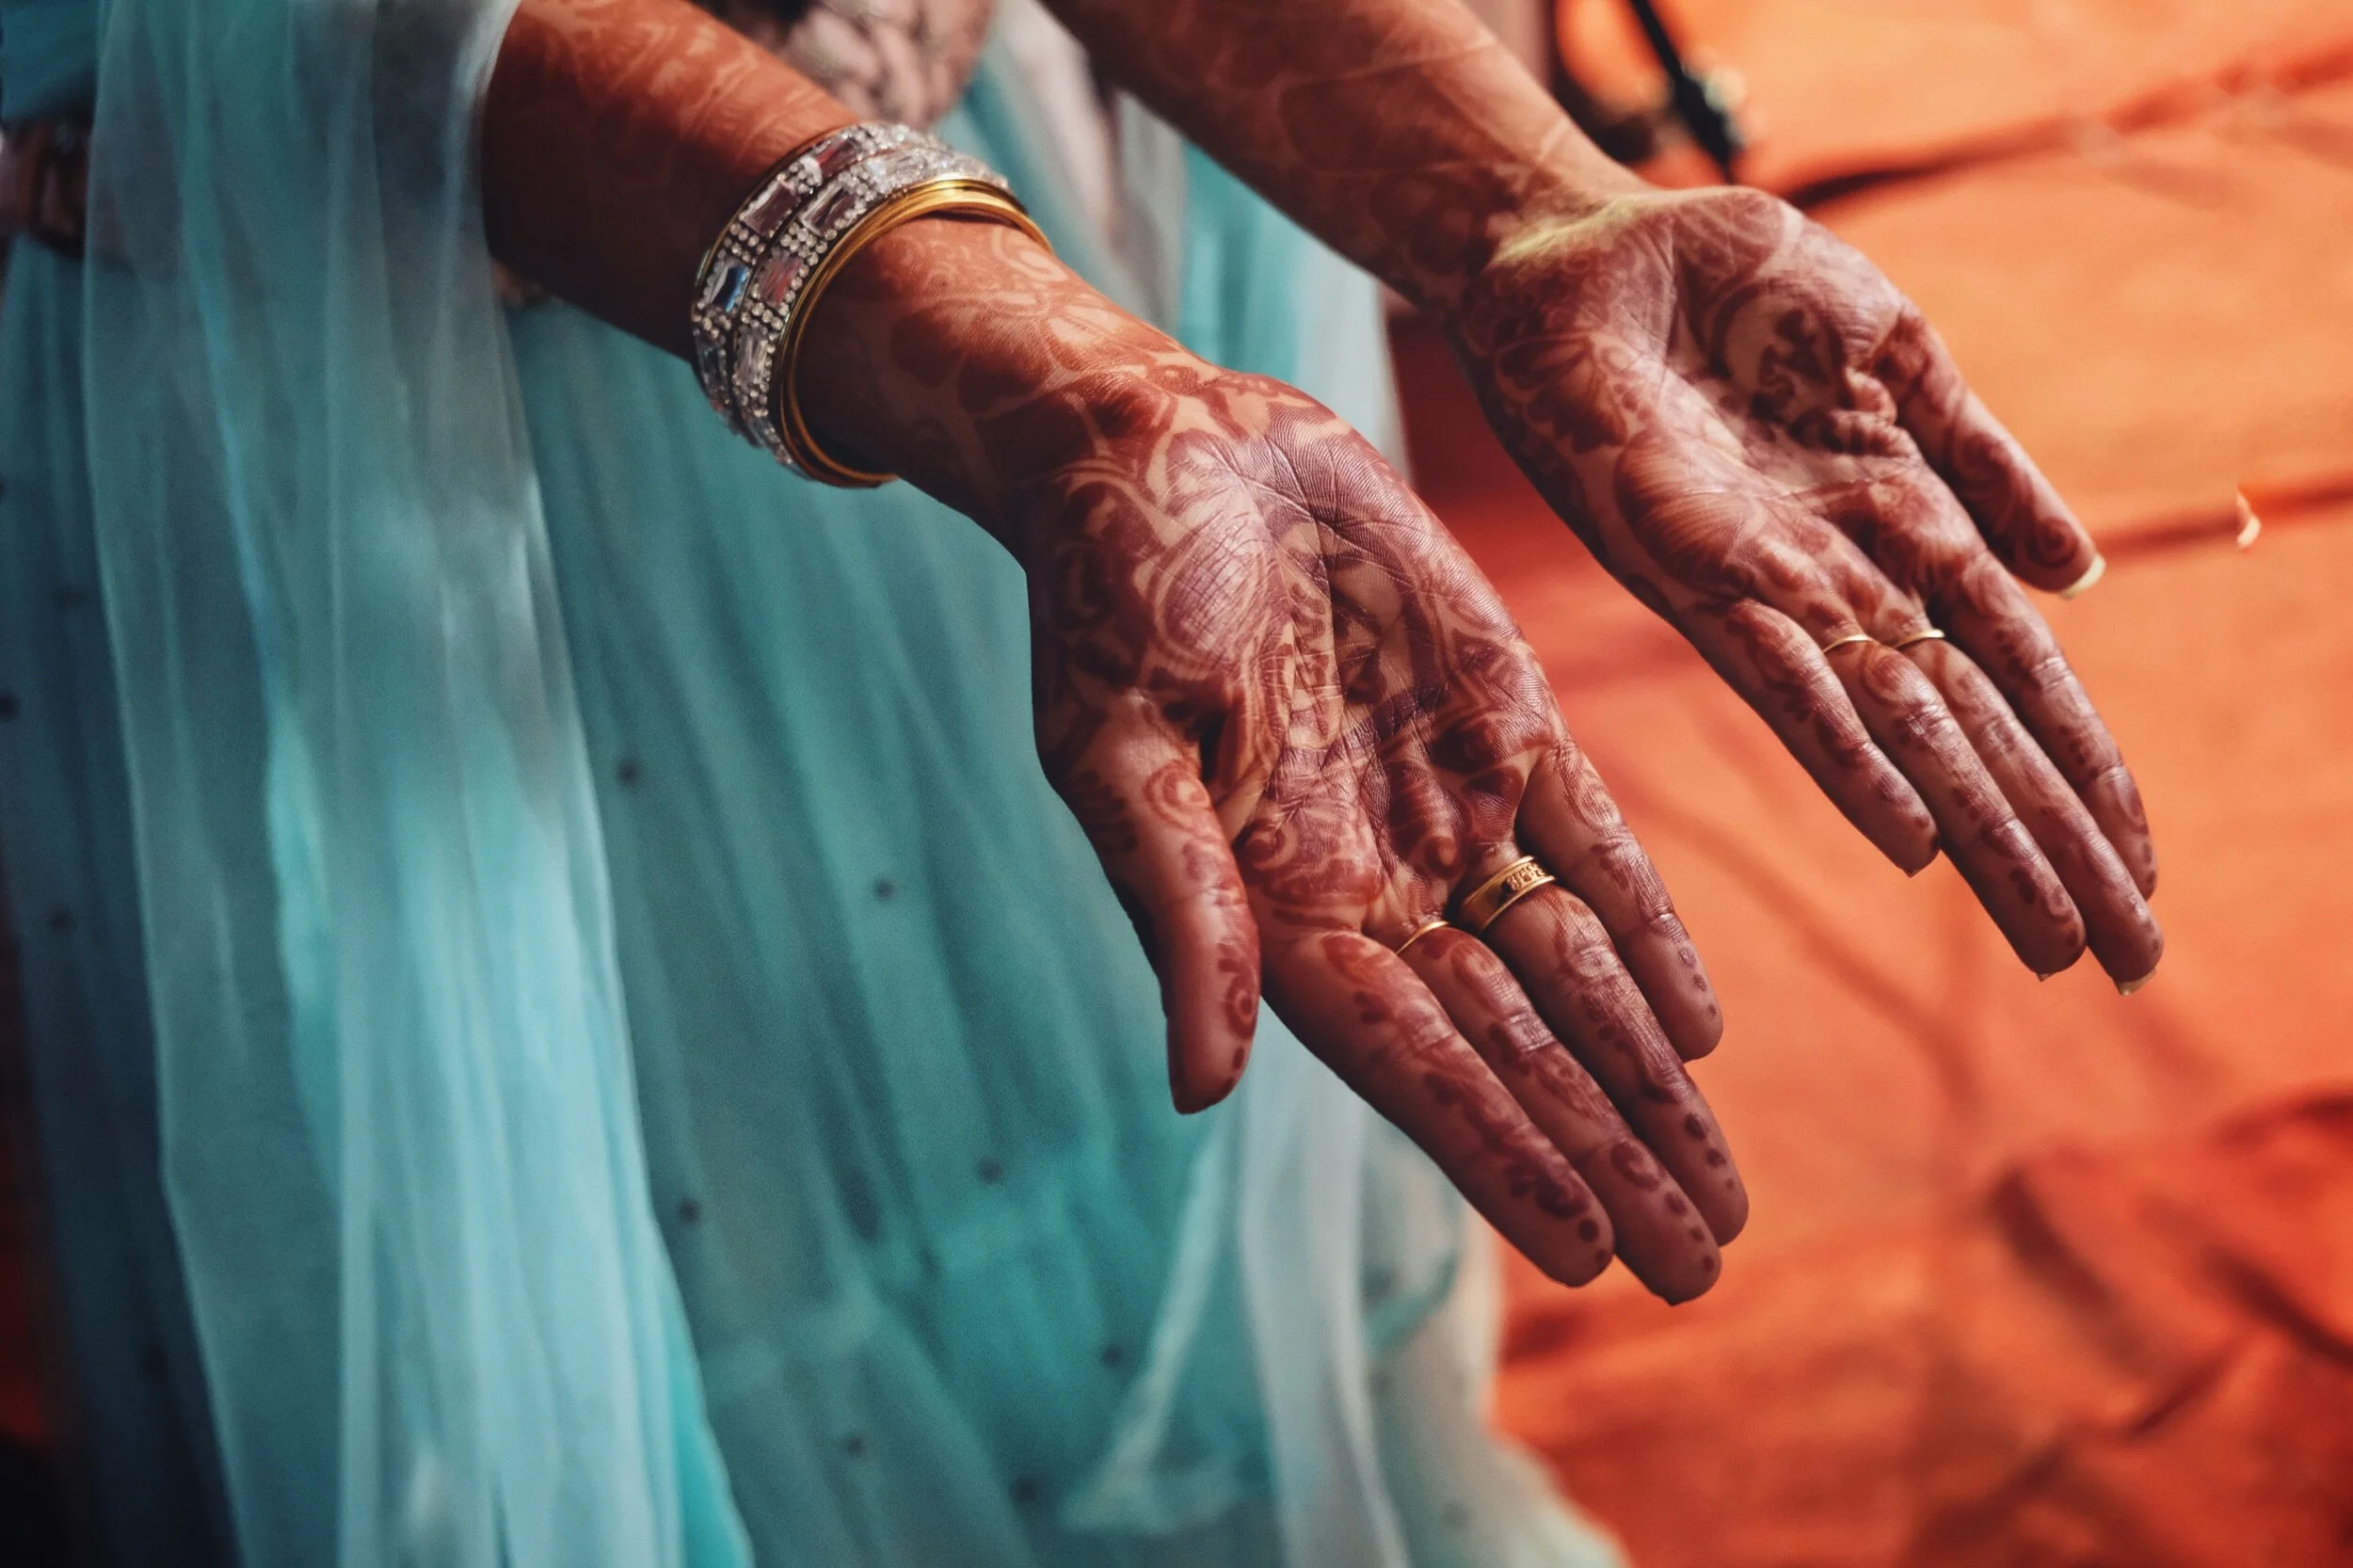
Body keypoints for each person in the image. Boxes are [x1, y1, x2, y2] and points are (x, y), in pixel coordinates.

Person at [0, 0, 2159, 1564]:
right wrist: (1062, 384)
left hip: (1017, 229)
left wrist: (1514, 207)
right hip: (391, 410)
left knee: (1125, 1156)